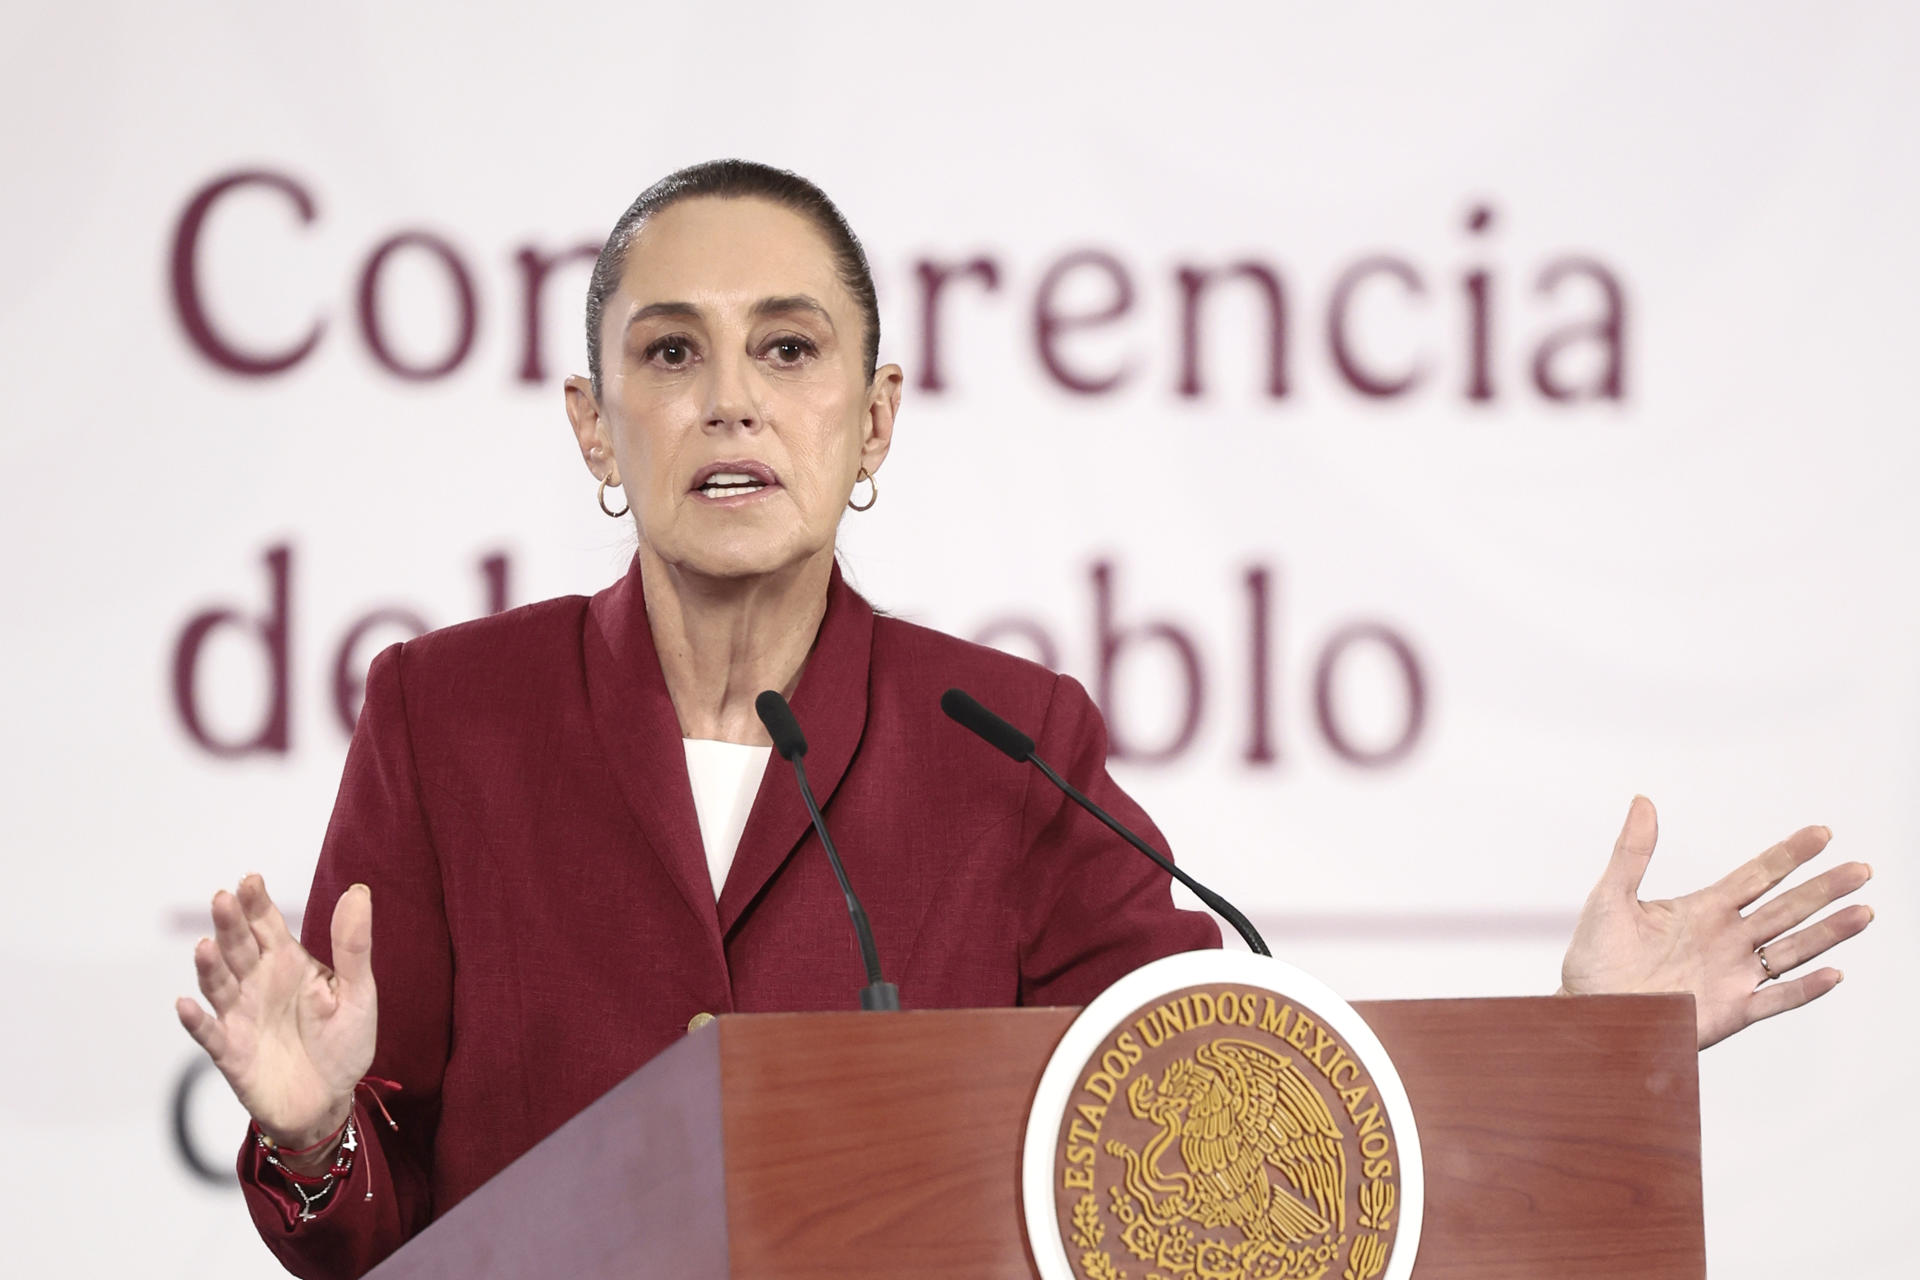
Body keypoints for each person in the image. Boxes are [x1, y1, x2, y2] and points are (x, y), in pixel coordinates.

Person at [174, 160, 1875, 1280]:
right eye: (671, 354)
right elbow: (364, 1227)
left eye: (790, 348)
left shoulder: (1003, 736)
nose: (733, 401)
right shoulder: (447, 715)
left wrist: (1587, 1052)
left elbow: (1231, 1124)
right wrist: (317, 1126)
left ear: (876, 415)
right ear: (595, 428)